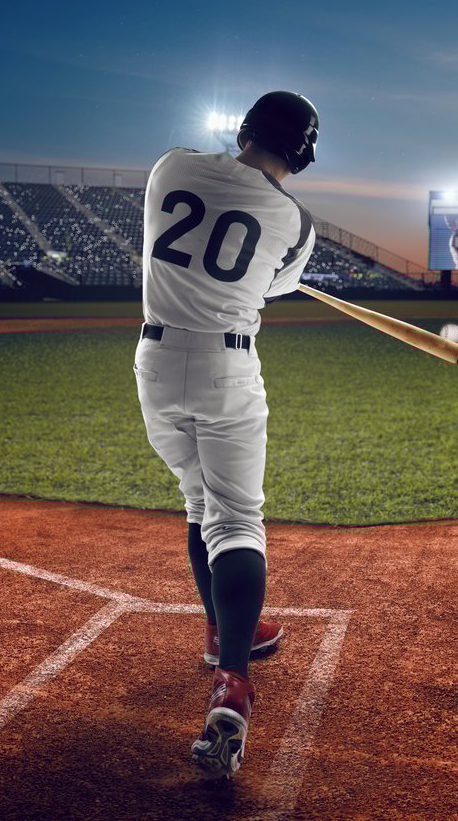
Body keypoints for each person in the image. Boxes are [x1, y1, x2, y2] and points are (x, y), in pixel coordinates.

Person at [134, 90, 319, 780]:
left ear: (244, 129)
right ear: (302, 152)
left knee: (196, 499)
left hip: (154, 361)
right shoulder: (296, 222)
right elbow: (269, 286)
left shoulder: (169, 167)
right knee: (237, 519)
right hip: (226, 363)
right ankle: (233, 681)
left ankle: (221, 633)